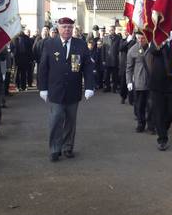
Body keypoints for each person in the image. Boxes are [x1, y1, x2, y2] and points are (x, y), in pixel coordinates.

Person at [38, 17, 95, 162]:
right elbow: (43, 67)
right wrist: (42, 88)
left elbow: (88, 67)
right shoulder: (50, 44)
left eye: (70, 27)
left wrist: (89, 86)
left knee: (70, 121)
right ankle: (55, 149)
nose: (67, 30)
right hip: (55, 90)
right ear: (58, 28)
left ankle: (67, 147)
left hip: (73, 90)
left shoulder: (80, 44)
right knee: (56, 120)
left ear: (73, 29)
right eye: (64, 27)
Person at [146, 30, 172, 150]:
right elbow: (153, 51)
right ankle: (162, 139)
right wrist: (162, 42)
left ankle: (162, 128)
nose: (169, 31)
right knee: (158, 111)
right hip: (158, 84)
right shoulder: (156, 41)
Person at [126, 31, 154, 133]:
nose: (141, 40)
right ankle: (141, 124)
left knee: (151, 106)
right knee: (140, 106)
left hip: (151, 83)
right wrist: (129, 81)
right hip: (139, 83)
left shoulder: (153, 48)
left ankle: (151, 125)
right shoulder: (132, 50)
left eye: (143, 38)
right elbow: (129, 68)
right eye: (138, 38)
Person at [101, 25, 121, 93]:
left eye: (112, 30)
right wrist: (103, 59)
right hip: (107, 60)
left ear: (114, 30)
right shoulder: (105, 38)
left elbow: (119, 50)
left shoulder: (118, 38)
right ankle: (107, 87)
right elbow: (103, 50)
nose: (110, 31)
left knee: (115, 75)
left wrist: (119, 59)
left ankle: (114, 88)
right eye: (109, 30)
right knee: (106, 75)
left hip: (115, 60)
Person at [118, 30, 136, 104]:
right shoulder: (123, 40)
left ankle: (131, 99)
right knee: (123, 82)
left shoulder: (135, 41)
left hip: (133, 64)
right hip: (124, 64)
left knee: (132, 82)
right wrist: (127, 41)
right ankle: (123, 97)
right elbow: (120, 48)